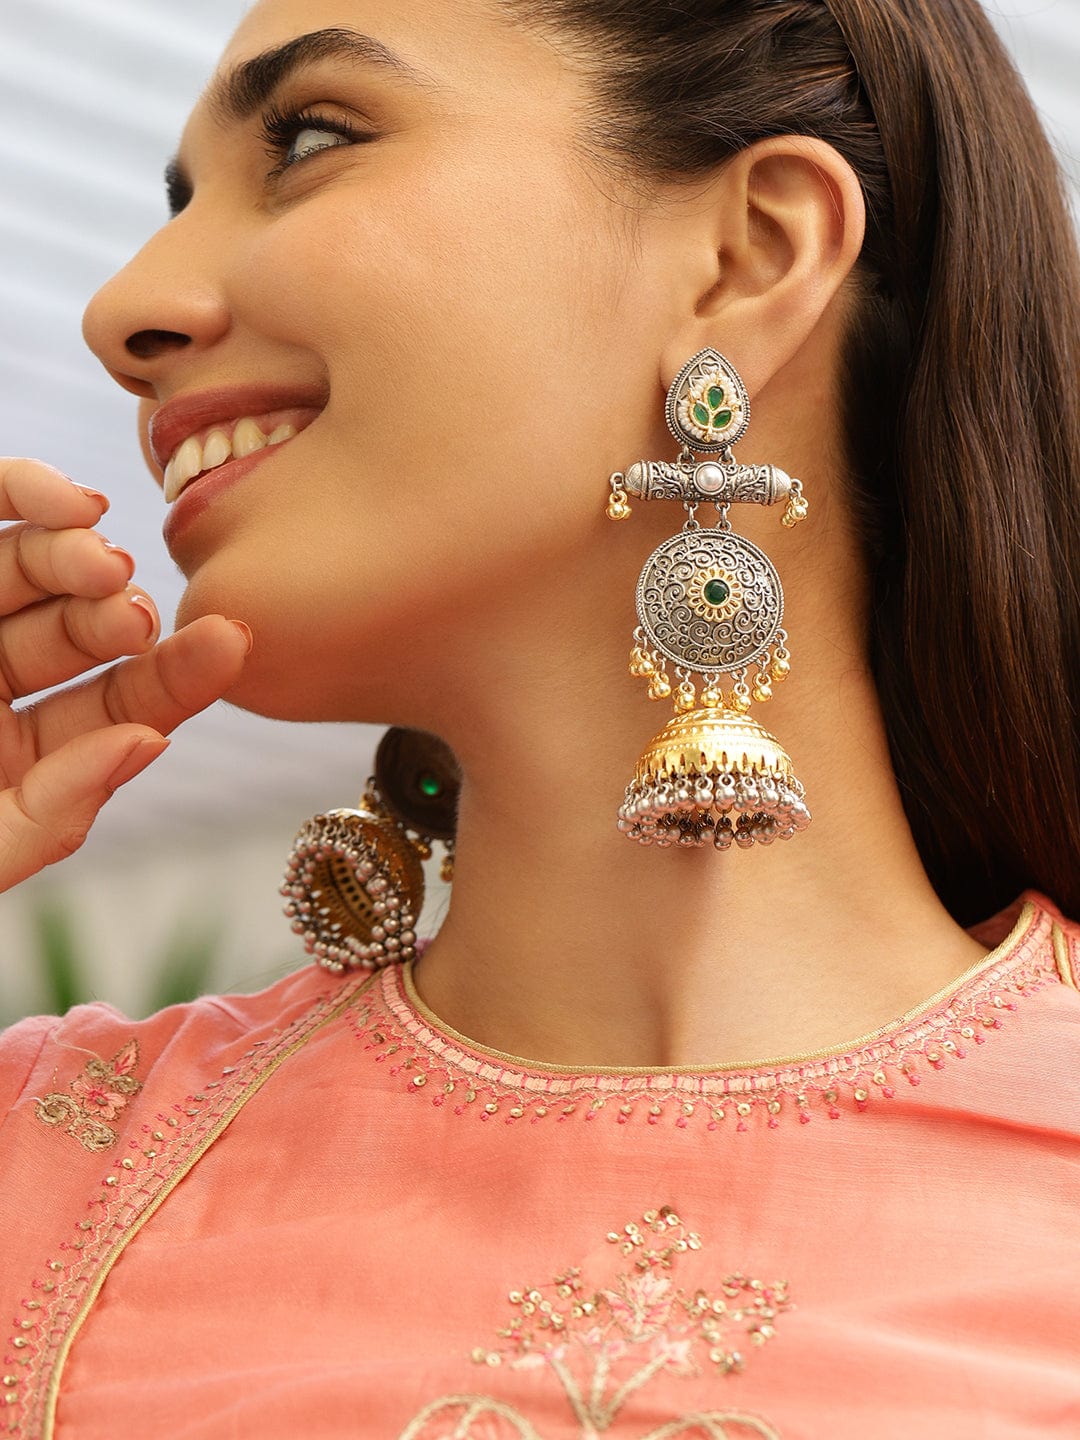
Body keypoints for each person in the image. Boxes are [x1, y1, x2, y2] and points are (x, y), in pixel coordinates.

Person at [2, 0, 1078, 1435]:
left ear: (749, 255)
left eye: (310, 140)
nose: (120, 312)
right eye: (176, 202)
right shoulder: (49, 1180)